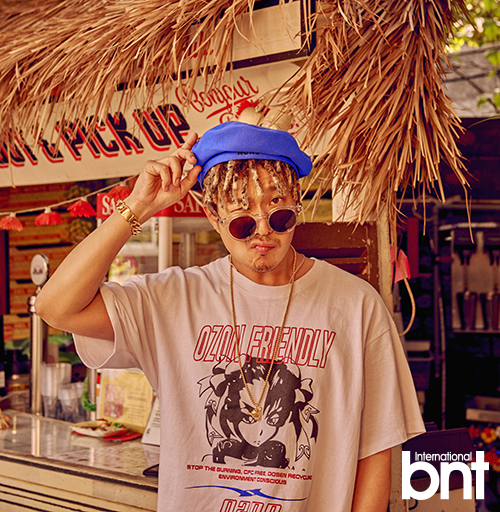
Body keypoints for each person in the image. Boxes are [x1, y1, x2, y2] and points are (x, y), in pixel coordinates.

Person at [35, 121, 424, 512]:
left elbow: (376, 448)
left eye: (279, 213)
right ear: (213, 214)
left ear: (297, 205)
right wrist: (138, 207)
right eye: (242, 219)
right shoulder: (172, 299)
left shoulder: (356, 305)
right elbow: (56, 308)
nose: (262, 232)